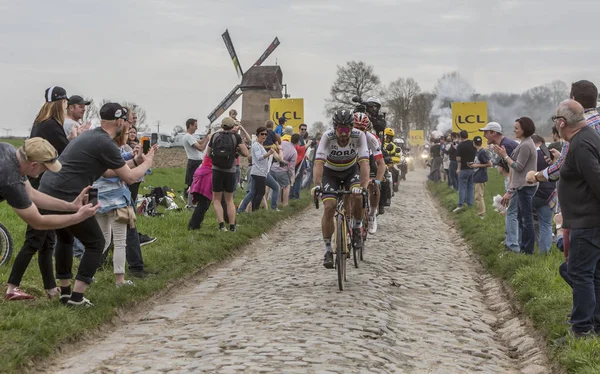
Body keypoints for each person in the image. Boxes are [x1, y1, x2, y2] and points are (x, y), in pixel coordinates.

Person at [39, 102, 155, 307]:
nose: (127, 126)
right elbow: (128, 178)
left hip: (48, 190)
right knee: (96, 243)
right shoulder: (106, 143)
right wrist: (147, 162)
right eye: (127, 121)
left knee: (65, 239)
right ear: (120, 121)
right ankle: (77, 297)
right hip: (67, 195)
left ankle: (65, 292)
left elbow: (108, 172)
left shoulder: (92, 136)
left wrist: (137, 161)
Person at [4, 138, 98, 301]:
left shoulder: (10, 152)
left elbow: (33, 195)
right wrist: (77, 217)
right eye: (45, 168)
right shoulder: (10, 179)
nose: (44, 173)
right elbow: (38, 222)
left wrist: (71, 206)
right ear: (34, 165)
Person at [554, 99, 600, 338]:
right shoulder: (589, 137)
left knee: (580, 274)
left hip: (587, 222)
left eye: (556, 120)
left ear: (562, 122)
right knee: (593, 275)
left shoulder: (581, 144)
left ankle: (582, 329)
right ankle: (595, 324)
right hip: (589, 220)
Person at [312, 110, 370, 269]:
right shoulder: (327, 137)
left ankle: (357, 228)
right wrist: (317, 185)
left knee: (357, 197)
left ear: (352, 128)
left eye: (346, 130)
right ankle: (328, 249)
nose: (343, 134)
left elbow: (364, 163)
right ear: (334, 128)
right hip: (330, 174)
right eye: (339, 129)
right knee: (329, 206)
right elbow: (318, 163)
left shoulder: (359, 136)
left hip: (351, 171)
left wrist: (364, 187)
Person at [494, 117, 538, 254]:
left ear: (524, 129)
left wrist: (504, 156)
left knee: (526, 219)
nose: (514, 130)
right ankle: (523, 246)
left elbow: (518, 167)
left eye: (517, 128)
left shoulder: (525, 145)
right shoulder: (524, 143)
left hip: (526, 186)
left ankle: (527, 250)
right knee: (522, 218)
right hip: (521, 185)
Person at [480, 122, 519, 250]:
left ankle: (512, 245)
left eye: (486, 132)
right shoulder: (502, 144)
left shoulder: (506, 145)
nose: (484, 135)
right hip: (512, 181)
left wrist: (510, 188)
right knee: (514, 214)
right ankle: (512, 240)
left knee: (512, 214)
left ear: (494, 133)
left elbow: (516, 167)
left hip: (515, 182)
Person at [205, 116, 249, 232]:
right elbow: (246, 153)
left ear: (222, 125)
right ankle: (232, 226)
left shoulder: (215, 136)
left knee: (217, 199)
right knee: (229, 200)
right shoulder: (236, 137)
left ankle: (221, 226)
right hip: (230, 170)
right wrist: (236, 151)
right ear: (232, 126)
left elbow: (208, 153)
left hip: (217, 170)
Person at [353, 112, 385, 234]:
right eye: (356, 128)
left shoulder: (372, 138)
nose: (359, 132)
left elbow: (381, 163)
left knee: (374, 187)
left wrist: (377, 180)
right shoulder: (346, 136)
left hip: (368, 160)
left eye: (362, 129)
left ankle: (372, 213)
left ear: (367, 128)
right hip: (353, 162)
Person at [530, 134, 556, 254]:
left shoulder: (532, 154)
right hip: (550, 192)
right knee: (546, 224)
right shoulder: (550, 154)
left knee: (527, 221)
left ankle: (528, 248)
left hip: (535, 191)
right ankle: (545, 252)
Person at [183, 118, 210, 208]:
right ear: (190, 125)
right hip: (194, 162)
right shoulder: (188, 137)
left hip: (196, 162)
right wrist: (208, 139)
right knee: (192, 183)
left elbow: (201, 142)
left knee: (195, 182)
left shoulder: (191, 136)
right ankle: (190, 204)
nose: (196, 128)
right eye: (195, 126)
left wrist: (206, 135)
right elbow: (201, 147)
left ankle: (191, 201)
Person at [269, 130, 297, 207]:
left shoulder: (283, 143)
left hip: (273, 168)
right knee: (286, 186)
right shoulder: (294, 152)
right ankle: (285, 203)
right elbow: (291, 167)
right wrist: (292, 177)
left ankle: (275, 202)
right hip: (282, 171)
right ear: (297, 143)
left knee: (275, 186)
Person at [468, 136, 492, 218]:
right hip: (477, 175)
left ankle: (482, 214)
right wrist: (473, 163)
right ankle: (480, 213)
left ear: (474, 143)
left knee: (478, 196)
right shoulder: (478, 152)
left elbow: (489, 164)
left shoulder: (482, 152)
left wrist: (476, 165)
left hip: (481, 176)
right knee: (478, 196)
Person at [453, 130, 476, 212]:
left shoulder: (460, 145)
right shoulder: (473, 143)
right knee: (471, 187)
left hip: (463, 168)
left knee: (462, 187)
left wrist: (458, 168)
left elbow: (458, 159)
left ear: (460, 137)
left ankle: (460, 205)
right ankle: (470, 204)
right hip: (472, 168)